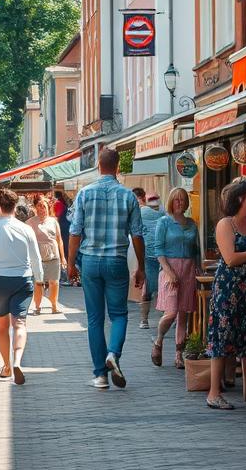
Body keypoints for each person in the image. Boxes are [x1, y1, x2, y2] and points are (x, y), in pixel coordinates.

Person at [66, 148, 145, 389]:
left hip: (90, 261)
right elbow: (137, 234)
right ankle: (113, 354)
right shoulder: (128, 196)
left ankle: (100, 375)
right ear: (117, 166)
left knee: (95, 318)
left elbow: (75, 232)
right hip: (116, 260)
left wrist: (70, 264)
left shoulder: (84, 194)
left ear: (98, 166)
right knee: (119, 314)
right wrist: (141, 266)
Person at [205, 179, 246, 410]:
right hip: (228, 287)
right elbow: (230, 258)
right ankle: (214, 392)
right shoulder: (226, 224)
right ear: (240, 199)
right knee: (222, 337)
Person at [0, 188, 43, 385]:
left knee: (2, 325)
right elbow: (36, 258)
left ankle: (6, 365)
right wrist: (39, 279)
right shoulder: (26, 229)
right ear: (15, 207)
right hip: (22, 280)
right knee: (20, 323)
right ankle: (18, 361)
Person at [151, 187, 199, 369]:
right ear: (171, 202)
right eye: (176, 200)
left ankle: (179, 354)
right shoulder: (163, 222)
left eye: (183, 199)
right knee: (171, 312)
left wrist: (198, 268)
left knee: (184, 314)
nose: (180, 203)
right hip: (169, 269)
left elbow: (196, 250)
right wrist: (169, 272)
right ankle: (159, 341)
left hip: (188, 269)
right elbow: (158, 250)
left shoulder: (192, 223)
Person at [28, 195, 64, 315]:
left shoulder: (53, 221)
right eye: (39, 206)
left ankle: (54, 305)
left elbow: (59, 240)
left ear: (48, 208)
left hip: (54, 255)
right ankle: (37, 307)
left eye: (44, 206)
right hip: (38, 257)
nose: (41, 209)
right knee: (39, 282)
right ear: (35, 207)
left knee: (54, 282)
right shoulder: (30, 222)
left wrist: (63, 258)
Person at [135, 188, 164, 329]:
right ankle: (166, 317)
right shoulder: (164, 213)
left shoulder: (140, 212)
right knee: (163, 287)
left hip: (147, 254)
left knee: (147, 289)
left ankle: (144, 319)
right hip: (163, 255)